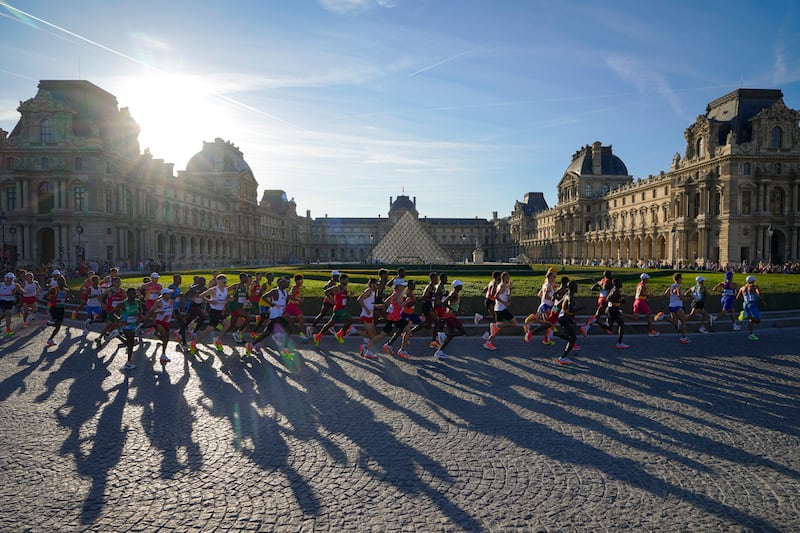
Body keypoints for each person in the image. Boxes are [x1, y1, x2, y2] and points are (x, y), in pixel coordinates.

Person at [363, 279, 409, 359]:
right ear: (398, 286)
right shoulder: (397, 295)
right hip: (393, 319)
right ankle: (366, 348)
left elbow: (387, 302)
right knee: (382, 336)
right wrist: (407, 301)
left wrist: (390, 307)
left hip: (396, 318)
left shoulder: (395, 294)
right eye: (402, 285)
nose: (404, 287)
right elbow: (401, 305)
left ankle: (401, 349)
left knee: (408, 330)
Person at [250, 276, 296, 357]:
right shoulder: (275, 291)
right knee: (289, 328)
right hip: (275, 316)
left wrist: (297, 300)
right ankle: (284, 349)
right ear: (280, 283)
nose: (287, 284)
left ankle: (251, 345)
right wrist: (272, 304)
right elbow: (263, 297)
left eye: (288, 283)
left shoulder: (285, 292)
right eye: (286, 283)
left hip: (279, 315)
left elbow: (287, 299)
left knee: (267, 333)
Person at [313, 273, 353, 347]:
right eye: (346, 280)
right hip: (338, 309)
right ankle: (340, 334)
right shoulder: (337, 288)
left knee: (329, 325)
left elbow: (345, 298)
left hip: (342, 308)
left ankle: (318, 337)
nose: (347, 282)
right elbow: (326, 292)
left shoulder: (345, 289)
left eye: (348, 280)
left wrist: (349, 296)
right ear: (341, 280)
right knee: (350, 320)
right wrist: (332, 300)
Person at [483, 272, 519, 351]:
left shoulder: (504, 286)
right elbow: (496, 296)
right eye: (508, 277)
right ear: (505, 278)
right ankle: (490, 339)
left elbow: (508, 296)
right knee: (513, 323)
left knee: (511, 324)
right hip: (500, 309)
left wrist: (510, 288)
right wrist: (504, 302)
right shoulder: (502, 286)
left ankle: (489, 341)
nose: (509, 278)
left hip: (501, 309)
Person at [432, 279, 468, 360]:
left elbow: (452, 304)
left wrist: (459, 310)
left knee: (451, 335)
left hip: (450, 316)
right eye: (460, 285)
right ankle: (444, 335)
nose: (462, 286)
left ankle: (439, 351)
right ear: (457, 286)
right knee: (462, 332)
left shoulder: (456, 293)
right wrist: (453, 309)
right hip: (450, 316)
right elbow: (444, 302)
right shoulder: (453, 293)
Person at [112, 288, 144, 370]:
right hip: (125, 325)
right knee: (131, 341)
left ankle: (118, 335)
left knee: (131, 343)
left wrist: (139, 317)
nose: (134, 295)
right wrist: (118, 319)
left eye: (135, 293)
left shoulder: (138, 302)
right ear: (128, 294)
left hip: (133, 325)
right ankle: (129, 362)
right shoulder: (123, 304)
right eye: (132, 294)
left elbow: (140, 312)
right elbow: (113, 313)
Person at [552, 281, 581, 365]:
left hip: (562, 318)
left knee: (570, 337)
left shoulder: (566, 295)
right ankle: (563, 358)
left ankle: (553, 334)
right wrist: (581, 308)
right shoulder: (570, 297)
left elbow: (558, 305)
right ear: (573, 288)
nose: (577, 288)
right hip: (566, 318)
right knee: (573, 338)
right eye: (576, 286)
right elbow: (571, 310)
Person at [146, 288, 175, 364]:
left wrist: (175, 317)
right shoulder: (159, 302)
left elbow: (172, 311)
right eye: (169, 293)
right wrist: (158, 311)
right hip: (159, 321)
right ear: (164, 294)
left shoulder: (171, 301)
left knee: (167, 338)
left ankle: (163, 354)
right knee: (165, 336)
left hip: (167, 322)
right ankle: (163, 353)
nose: (170, 295)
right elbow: (151, 311)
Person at [309, 270, 340, 335]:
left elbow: (325, 287)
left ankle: (329, 326)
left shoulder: (331, 282)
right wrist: (333, 299)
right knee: (322, 315)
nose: (338, 277)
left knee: (331, 315)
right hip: (329, 301)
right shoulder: (332, 283)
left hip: (330, 301)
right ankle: (312, 327)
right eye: (337, 276)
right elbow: (328, 292)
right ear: (334, 276)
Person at [43, 275, 71, 347]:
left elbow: (67, 299)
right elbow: (44, 297)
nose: (62, 282)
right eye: (60, 281)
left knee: (58, 326)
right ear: (58, 282)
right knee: (58, 324)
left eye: (63, 281)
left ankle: (50, 339)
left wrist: (67, 300)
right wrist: (54, 300)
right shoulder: (53, 289)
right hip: (54, 308)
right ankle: (48, 325)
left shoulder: (66, 290)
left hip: (61, 308)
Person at [663, 272, 690, 344]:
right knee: (683, 321)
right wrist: (687, 298)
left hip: (671, 306)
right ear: (678, 279)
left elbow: (666, 293)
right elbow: (680, 296)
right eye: (681, 278)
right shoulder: (678, 286)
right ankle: (683, 338)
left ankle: (663, 317)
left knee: (675, 322)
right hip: (677, 306)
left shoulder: (671, 286)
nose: (682, 280)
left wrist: (672, 298)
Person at [737, 275, 766, 341]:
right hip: (752, 304)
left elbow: (737, 297)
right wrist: (763, 301)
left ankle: (751, 335)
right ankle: (746, 316)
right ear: (753, 281)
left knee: (751, 321)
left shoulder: (742, 288)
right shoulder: (754, 287)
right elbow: (759, 293)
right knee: (758, 320)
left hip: (745, 304)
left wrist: (745, 300)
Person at [606, 278, 629, 349]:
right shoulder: (615, 290)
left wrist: (620, 300)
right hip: (613, 309)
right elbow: (608, 299)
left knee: (610, 327)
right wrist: (620, 300)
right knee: (621, 324)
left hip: (612, 309)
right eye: (620, 282)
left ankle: (594, 321)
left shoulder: (614, 289)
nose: (621, 284)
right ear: (617, 284)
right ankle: (619, 343)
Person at [284, 274, 307, 340]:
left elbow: (292, 296)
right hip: (291, 306)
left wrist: (299, 299)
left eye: (302, 280)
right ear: (297, 281)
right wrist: (298, 299)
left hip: (295, 306)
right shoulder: (295, 288)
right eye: (301, 280)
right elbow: (290, 296)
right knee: (290, 321)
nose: (302, 282)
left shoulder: (297, 287)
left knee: (301, 319)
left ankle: (301, 334)